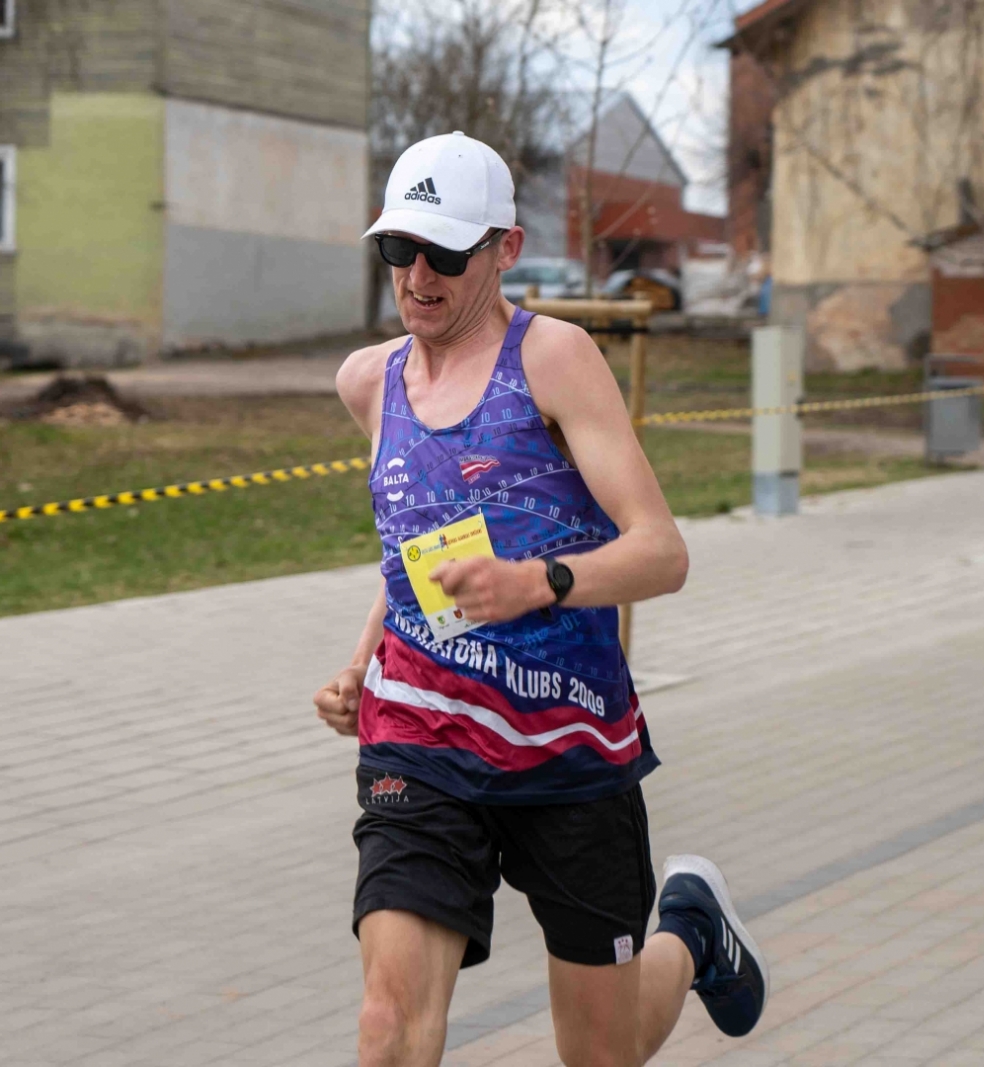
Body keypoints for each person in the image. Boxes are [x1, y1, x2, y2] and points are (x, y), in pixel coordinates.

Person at [314, 133, 767, 1067]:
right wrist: (363, 662)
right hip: (420, 741)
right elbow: (411, 552)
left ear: (505, 249)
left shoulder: (553, 359)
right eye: (401, 249)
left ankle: (690, 929)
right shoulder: (370, 383)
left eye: (446, 252)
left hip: (568, 747)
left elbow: (662, 551)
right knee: (386, 1028)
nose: (420, 276)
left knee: (600, 1052)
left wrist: (538, 582)